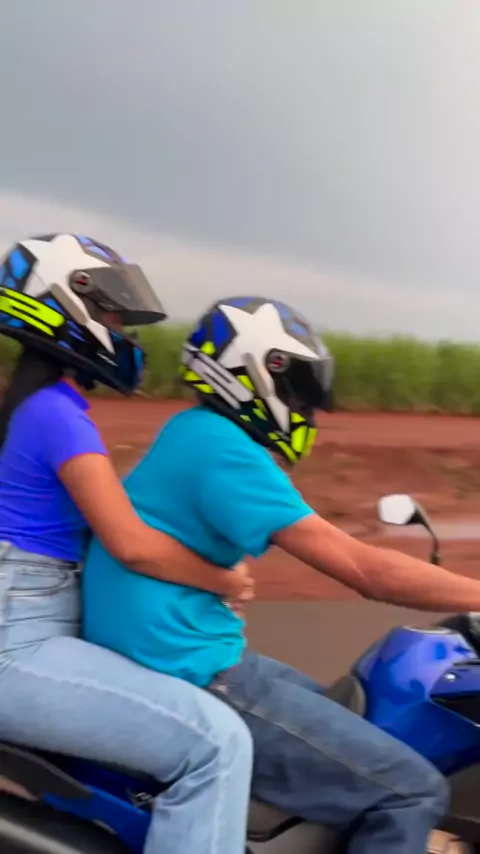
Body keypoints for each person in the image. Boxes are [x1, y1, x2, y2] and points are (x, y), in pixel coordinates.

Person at [82, 294, 480, 854]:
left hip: (186, 651)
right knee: (410, 790)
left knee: (364, 728)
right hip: (191, 668)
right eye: (297, 393)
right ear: (252, 372)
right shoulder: (225, 451)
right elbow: (364, 569)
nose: (305, 412)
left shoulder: (194, 430)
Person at [0, 236, 255, 854]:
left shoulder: (32, 407)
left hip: (27, 624)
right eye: (113, 315)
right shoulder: (57, 416)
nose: (121, 331)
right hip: (19, 641)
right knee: (217, 743)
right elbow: (130, 542)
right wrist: (225, 580)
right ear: (66, 303)